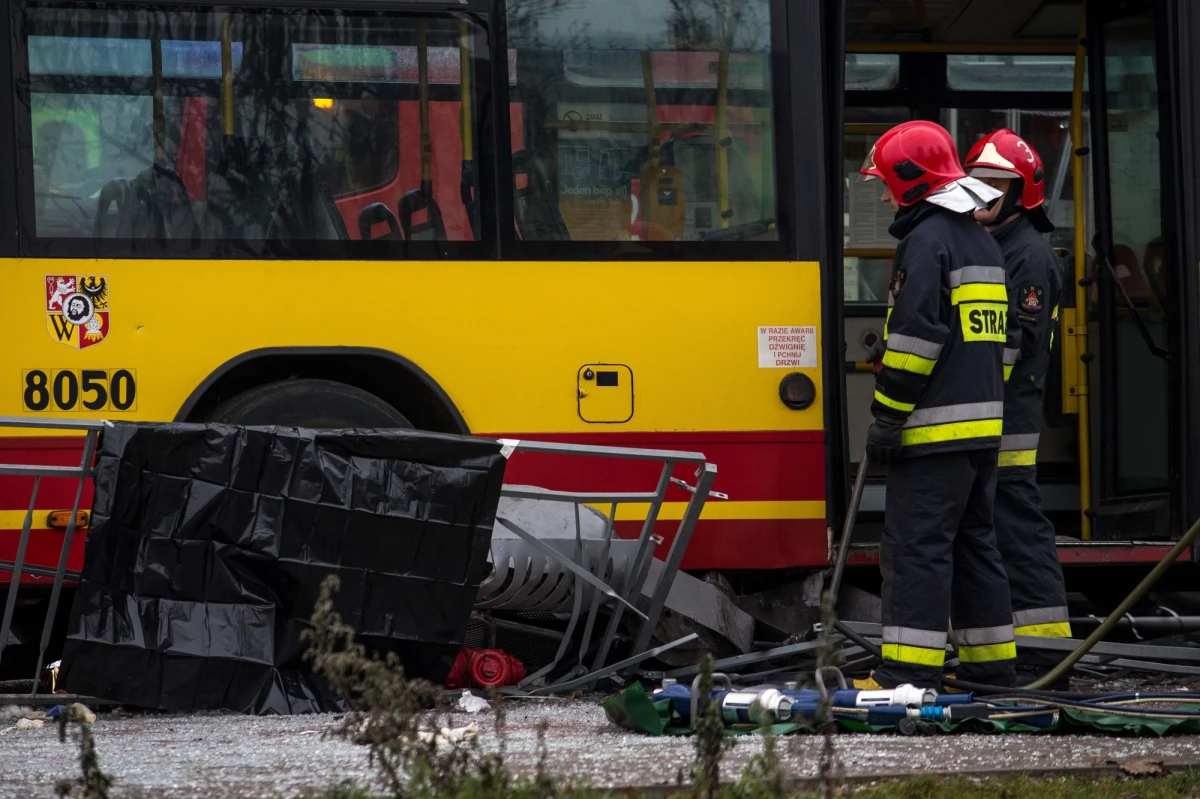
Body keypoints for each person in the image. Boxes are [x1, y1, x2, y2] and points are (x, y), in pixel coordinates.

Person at [859, 120, 1020, 690]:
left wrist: (885, 416)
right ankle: (992, 669)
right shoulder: (982, 240)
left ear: (910, 180)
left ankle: (905, 672)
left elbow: (915, 342)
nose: (882, 195)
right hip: (980, 433)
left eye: (885, 183)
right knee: (976, 545)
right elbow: (994, 345)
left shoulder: (927, 241)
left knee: (916, 550)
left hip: (932, 435)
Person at [964, 129, 1070, 687]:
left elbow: (1015, 345)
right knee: (991, 527)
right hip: (989, 411)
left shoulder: (1026, 255)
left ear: (1020, 192)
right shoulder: (995, 245)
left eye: (994, 185)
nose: (982, 194)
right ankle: (1008, 649)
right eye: (976, 182)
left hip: (1009, 417)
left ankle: (1045, 654)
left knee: (1017, 527)